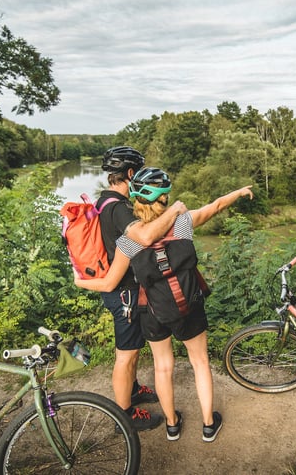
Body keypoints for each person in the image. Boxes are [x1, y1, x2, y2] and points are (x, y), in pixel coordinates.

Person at [75, 167, 253, 443]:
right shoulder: (182, 223)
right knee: (200, 362)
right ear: (165, 200)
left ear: (136, 201)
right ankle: (208, 424)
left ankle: (172, 425)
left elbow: (109, 283)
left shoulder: (128, 241)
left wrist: (80, 281)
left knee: (162, 367)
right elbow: (215, 206)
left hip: (153, 310)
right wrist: (238, 192)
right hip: (188, 305)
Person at [96, 147, 180, 430]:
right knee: (127, 354)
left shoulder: (104, 201)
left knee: (132, 347)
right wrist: (176, 210)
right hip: (123, 291)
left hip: (118, 288)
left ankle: (133, 390)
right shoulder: (119, 208)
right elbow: (143, 235)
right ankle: (125, 415)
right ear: (131, 174)